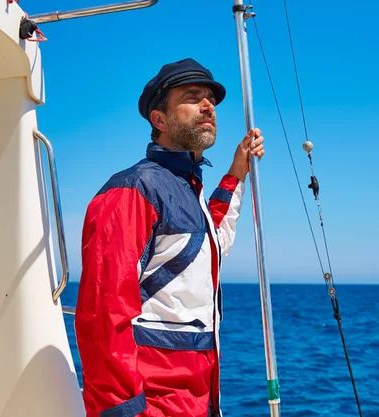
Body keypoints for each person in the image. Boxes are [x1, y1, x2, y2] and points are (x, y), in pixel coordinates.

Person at [74, 58, 265, 417]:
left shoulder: (187, 192)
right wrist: (123, 411)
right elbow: (102, 314)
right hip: (153, 405)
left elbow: (210, 242)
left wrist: (237, 170)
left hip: (199, 400)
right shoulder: (132, 190)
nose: (208, 105)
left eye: (210, 98)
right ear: (159, 120)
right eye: (192, 97)